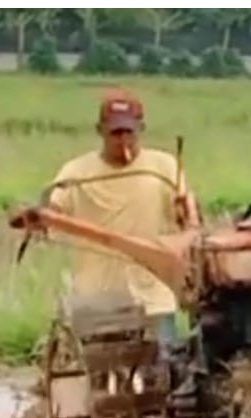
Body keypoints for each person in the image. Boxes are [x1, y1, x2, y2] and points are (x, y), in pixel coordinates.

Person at [43, 89, 202, 357]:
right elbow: (53, 209)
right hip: (99, 300)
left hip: (155, 299)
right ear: (100, 131)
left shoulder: (165, 167)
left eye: (130, 132)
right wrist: (39, 217)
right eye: (115, 133)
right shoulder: (76, 173)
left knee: (165, 373)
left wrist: (185, 219)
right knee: (101, 379)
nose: (123, 140)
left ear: (141, 129)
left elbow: (191, 221)